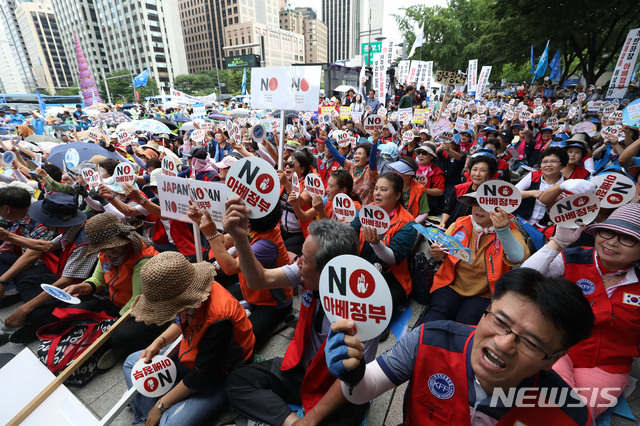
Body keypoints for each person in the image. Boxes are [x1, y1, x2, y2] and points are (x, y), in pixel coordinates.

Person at [325, 267, 595, 425]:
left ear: (553, 358)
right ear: (486, 310)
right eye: (500, 321)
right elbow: (363, 391)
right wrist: (353, 374)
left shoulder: (567, 414)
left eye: (530, 341)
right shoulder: (429, 338)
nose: (503, 344)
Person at [223, 199, 378, 426]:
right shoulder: (303, 271)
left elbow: (354, 379)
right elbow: (259, 279)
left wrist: (312, 420)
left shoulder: (366, 310)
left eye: (305, 259)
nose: (297, 262)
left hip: (337, 386)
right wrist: (239, 237)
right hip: (300, 369)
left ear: (329, 271)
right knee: (238, 381)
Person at [522, 203, 640, 417]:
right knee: (537, 405)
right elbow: (521, 282)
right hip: (556, 349)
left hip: (606, 367)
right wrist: (557, 243)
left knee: (572, 414)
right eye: (608, 231)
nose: (612, 242)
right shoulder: (572, 257)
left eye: (628, 238)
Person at [123, 252, 255, 425]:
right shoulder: (194, 293)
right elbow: (182, 321)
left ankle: (157, 412)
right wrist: (159, 342)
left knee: (170, 424)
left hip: (223, 373)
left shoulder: (220, 318)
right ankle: (149, 416)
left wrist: (161, 405)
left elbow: (202, 374)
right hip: (192, 354)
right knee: (132, 362)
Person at [62, 213, 167, 369]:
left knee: (120, 336)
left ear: (124, 237)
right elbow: (97, 281)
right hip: (117, 303)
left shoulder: (143, 258)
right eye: (104, 247)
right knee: (72, 312)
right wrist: (80, 288)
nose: (109, 250)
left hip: (144, 310)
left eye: (113, 245)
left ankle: (117, 348)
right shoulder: (105, 253)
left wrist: (111, 325)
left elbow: (137, 300)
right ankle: (100, 344)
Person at [189, 202, 293, 346]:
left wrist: (210, 234)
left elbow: (230, 267)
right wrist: (202, 222)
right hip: (251, 291)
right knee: (209, 299)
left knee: (243, 340)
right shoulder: (257, 229)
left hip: (272, 303)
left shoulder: (266, 244)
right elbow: (224, 241)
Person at [0, 193, 98, 343]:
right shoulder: (72, 228)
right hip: (68, 279)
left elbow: (66, 281)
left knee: (35, 312)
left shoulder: (83, 239)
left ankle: (39, 326)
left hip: (88, 289)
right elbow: (47, 246)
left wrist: (24, 309)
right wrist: (8, 236)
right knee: (27, 280)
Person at [422, 193, 529, 325]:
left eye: (485, 205)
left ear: (499, 210)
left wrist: (503, 231)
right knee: (434, 318)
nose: (479, 208)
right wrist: (437, 253)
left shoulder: (509, 231)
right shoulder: (459, 224)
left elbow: (518, 257)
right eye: (475, 203)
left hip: (484, 293)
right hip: (449, 284)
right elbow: (442, 251)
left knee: (465, 324)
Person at [351, 173, 418, 306]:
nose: (377, 194)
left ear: (397, 195)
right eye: (376, 189)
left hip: (391, 277)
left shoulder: (408, 224)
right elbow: (352, 233)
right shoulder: (367, 210)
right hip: (360, 267)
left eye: (383, 190)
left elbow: (393, 258)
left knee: (374, 308)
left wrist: (376, 244)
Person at [440, 154, 497, 229]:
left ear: (490, 174)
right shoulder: (459, 189)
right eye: (474, 169)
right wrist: (443, 222)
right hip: (453, 228)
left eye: (483, 170)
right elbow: (448, 210)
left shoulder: (494, 195)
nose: (477, 174)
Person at [324, 138, 378, 205]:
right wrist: (326, 140)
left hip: (364, 211)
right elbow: (337, 156)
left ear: (367, 158)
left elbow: (372, 161)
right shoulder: (351, 166)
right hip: (348, 207)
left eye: (360, 154)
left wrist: (374, 144)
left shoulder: (371, 171)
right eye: (355, 153)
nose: (356, 156)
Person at [385, 158, 429, 223]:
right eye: (394, 170)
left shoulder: (420, 189)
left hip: (412, 225)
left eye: (399, 171)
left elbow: (424, 213)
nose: (395, 172)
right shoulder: (389, 185)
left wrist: (412, 224)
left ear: (409, 174)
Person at [414, 142, 445, 215]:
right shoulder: (413, 168)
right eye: (419, 152)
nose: (420, 155)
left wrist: (423, 190)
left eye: (424, 153)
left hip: (430, 207)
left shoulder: (437, 172)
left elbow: (440, 191)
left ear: (432, 156)